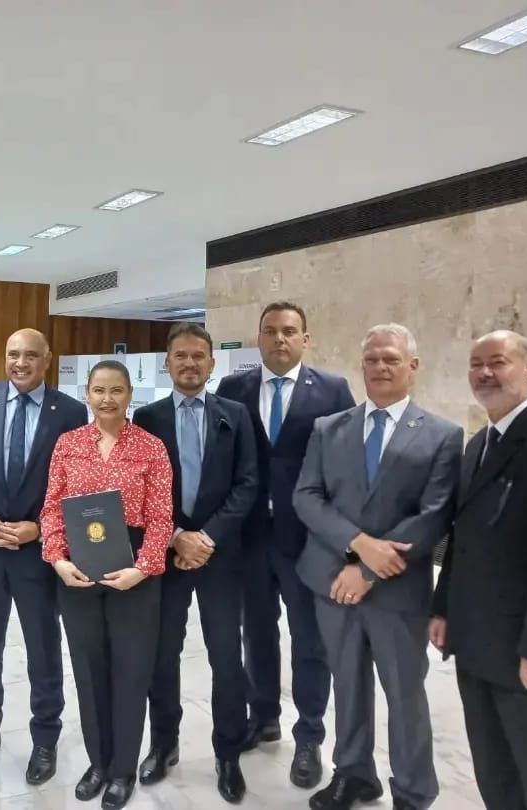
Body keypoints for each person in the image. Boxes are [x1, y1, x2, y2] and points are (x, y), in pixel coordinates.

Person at [293, 324, 462, 810]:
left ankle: (413, 790)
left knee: (404, 693)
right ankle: (353, 774)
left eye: (391, 359)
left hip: (397, 589)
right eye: (372, 359)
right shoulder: (329, 428)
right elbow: (306, 496)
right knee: (347, 685)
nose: (380, 367)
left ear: (413, 366)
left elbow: (434, 516)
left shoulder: (442, 435)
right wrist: (357, 546)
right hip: (332, 583)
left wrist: (367, 569)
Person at [216, 301, 354, 788]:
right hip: (250, 538)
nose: (280, 339)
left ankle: (310, 735)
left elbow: (345, 469)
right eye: (271, 331)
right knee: (256, 633)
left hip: (307, 540)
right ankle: (264, 716)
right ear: (258, 338)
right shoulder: (233, 389)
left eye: (289, 331)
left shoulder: (333, 390)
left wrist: (345, 543)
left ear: (305, 338)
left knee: (309, 639)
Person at [431, 330, 527, 810]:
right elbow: (462, 538)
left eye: (498, 362)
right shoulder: (478, 444)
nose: (484, 373)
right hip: (476, 646)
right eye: (476, 364)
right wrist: (443, 607)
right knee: (495, 775)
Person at [0, 328, 87, 784]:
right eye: (13, 354)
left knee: (43, 649)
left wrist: (41, 528)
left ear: (47, 359)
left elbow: (74, 482)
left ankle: (45, 738)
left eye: (31, 355)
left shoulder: (70, 412)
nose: (21, 362)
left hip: (39, 553)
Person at [40, 359, 174, 810]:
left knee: (131, 672)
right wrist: (58, 559)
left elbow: (161, 517)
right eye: (99, 390)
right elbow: (52, 508)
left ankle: (122, 770)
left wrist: (143, 567)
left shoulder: (151, 447)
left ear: (130, 395)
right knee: (89, 670)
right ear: (87, 393)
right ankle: (98, 763)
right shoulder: (68, 444)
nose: (107, 399)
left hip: (134, 570)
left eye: (116, 390)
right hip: (78, 570)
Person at [134, 323, 258, 804]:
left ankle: (228, 752)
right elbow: (141, 491)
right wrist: (176, 537)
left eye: (198, 356)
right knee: (161, 655)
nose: (189, 363)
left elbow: (247, 483)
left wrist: (206, 537)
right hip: (165, 557)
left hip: (220, 556)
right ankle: (164, 743)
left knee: (226, 658)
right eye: (180, 356)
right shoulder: (147, 419)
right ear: (167, 363)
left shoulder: (235, 415)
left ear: (211, 363)